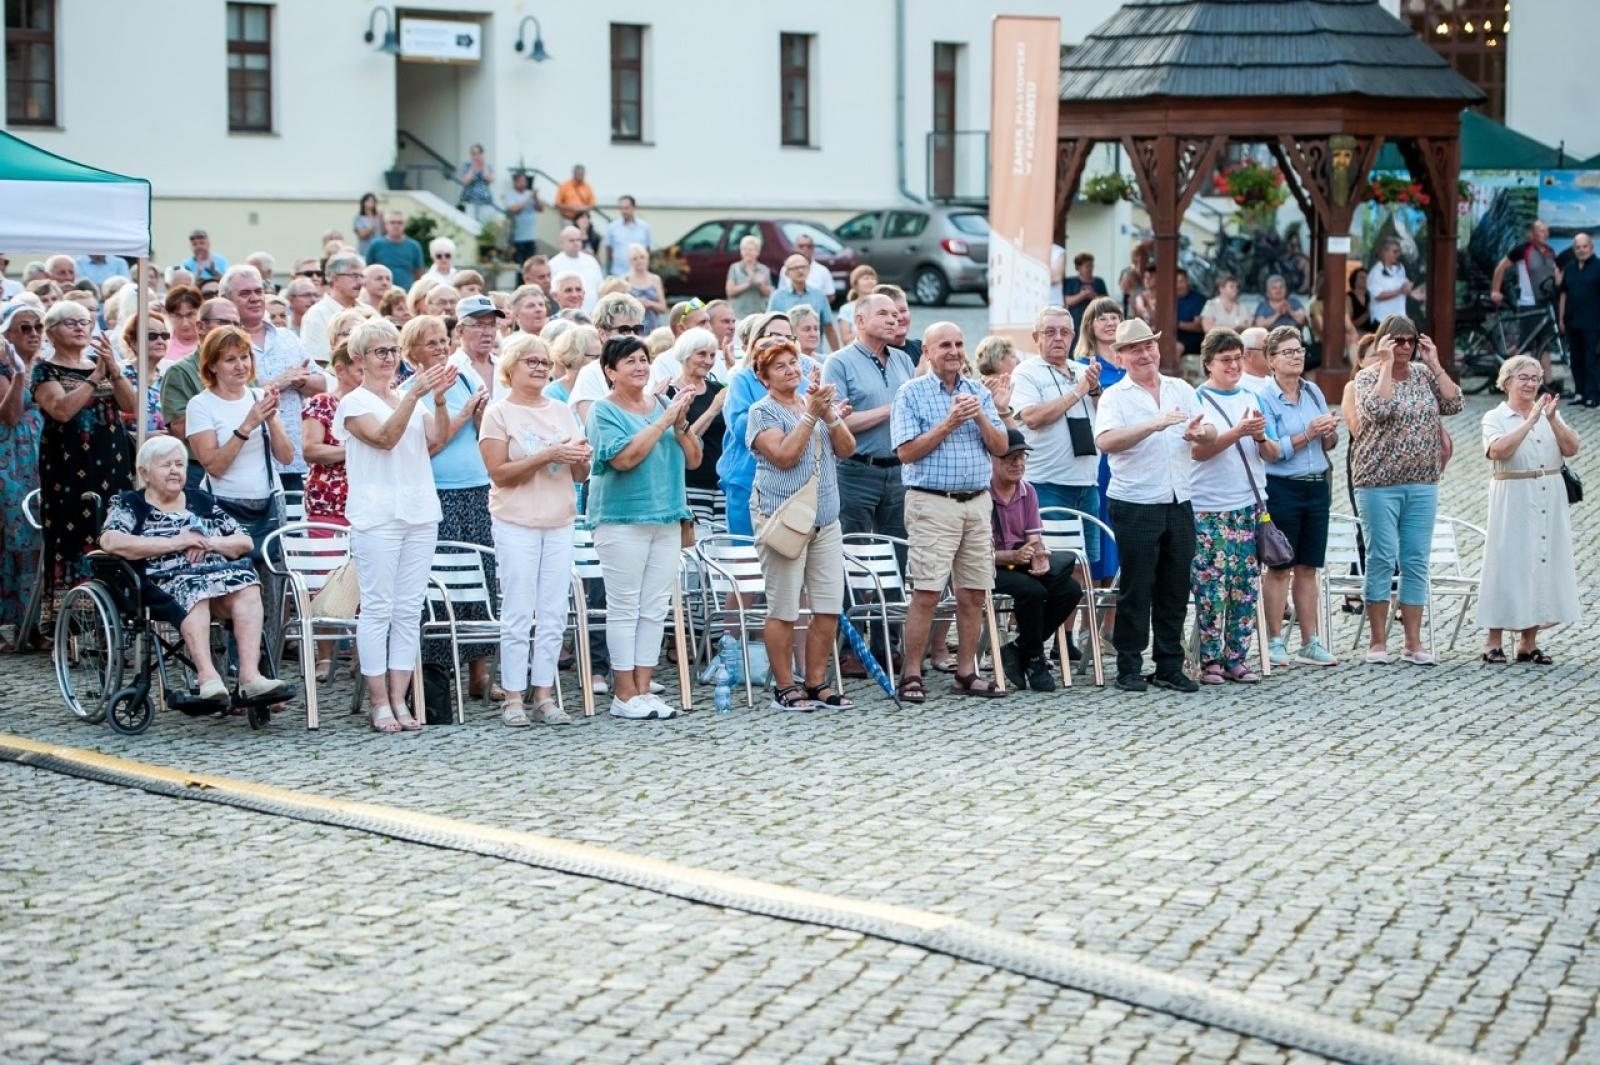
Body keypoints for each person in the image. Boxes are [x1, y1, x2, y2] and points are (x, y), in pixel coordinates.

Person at [99, 436, 287, 705]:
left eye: (179, 464)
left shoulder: (202, 501)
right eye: (166, 465)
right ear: (144, 473)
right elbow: (110, 541)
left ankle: (250, 676)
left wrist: (208, 542)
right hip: (162, 583)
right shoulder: (130, 504)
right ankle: (208, 677)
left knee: (247, 583)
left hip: (216, 578)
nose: (174, 471)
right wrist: (176, 542)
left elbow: (244, 541)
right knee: (194, 589)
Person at [335, 319, 453, 733]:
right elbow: (384, 438)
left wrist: (439, 401)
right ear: (359, 358)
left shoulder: (409, 397)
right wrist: (415, 396)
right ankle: (378, 700)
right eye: (380, 352)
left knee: (408, 609)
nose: (389, 358)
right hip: (377, 515)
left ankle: (401, 698)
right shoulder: (354, 402)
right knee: (378, 608)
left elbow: (437, 440)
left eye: (392, 351)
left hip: (419, 511)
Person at [1093, 318, 1215, 693]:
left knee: (1175, 588)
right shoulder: (1115, 396)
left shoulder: (1180, 388)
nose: (1144, 354)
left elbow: (1208, 431)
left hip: (1179, 499)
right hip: (1136, 501)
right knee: (1136, 587)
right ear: (1120, 356)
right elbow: (1106, 441)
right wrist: (1154, 424)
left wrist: (1200, 433)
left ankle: (1168, 665)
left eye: (1149, 346)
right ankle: (1129, 665)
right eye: (1134, 349)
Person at [891, 321, 1010, 703]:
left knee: (973, 593)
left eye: (959, 343)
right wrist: (949, 423)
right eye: (944, 345)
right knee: (927, 592)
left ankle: (966, 671)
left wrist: (979, 417)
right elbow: (906, 452)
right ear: (927, 352)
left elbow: (1001, 446)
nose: (954, 351)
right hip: (932, 502)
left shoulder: (978, 392)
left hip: (976, 502)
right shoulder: (911, 393)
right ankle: (911, 673)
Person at [584, 336, 702, 720]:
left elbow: (694, 459)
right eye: (630, 361)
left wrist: (680, 424)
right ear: (610, 371)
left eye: (643, 359)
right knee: (625, 607)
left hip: (666, 516)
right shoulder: (603, 410)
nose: (640, 367)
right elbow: (624, 459)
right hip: (621, 519)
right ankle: (623, 693)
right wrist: (663, 422)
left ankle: (644, 689)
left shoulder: (664, 404)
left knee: (654, 607)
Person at [479, 333, 590, 727]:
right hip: (516, 520)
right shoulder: (499, 413)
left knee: (554, 610)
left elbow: (580, 473)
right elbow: (499, 473)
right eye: (532, 361)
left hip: (559, 518)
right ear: (511, 367)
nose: (540, 367)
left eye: (544, 362)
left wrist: (580, 457)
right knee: (518, 608)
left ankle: (544, 693)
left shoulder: (562, 411)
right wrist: (547, 455)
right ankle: (513, 695)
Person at [747, 337, 856, 710]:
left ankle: (815, 682)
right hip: (784, 521)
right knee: (784, 608)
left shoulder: (815, 404)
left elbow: (847, 449)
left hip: (826, 521)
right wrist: (811, 415)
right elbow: (784, 456)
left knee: (827, 607)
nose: (791, 370)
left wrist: (829, 415)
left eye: (793, 363)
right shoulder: (762, 412)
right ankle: (784, 686)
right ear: (764, 377)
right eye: (779, 366)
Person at [1349, 315, 1463, 665]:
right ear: (1383, 341)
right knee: (1382, 557)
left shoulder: (1424, 375)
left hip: (1423, 482)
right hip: (1377, 482)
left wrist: (1435, 363)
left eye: (1409, 340)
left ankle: (1413, 643)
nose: (1404, 347)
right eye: (1396, 340)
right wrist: (1385, 365)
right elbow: (1377, 410)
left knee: (1415, 559)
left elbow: (1454, 403)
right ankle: (1377, 642)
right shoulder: (1366, 377)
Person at [401, 311, 497, 700]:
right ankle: (438, 675)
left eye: (443, 340)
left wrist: (480, 415)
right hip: (439, 492)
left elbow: (482, 432)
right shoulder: (410, 391)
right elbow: (430, 445)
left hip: (477, 488)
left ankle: (479, 672)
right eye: (431, 343)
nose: (441, 348)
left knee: (482, 580)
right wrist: (464, 413)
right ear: (413, 352)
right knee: (444, 583)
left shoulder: (466, 378)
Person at [1189, 329, 1280, 684]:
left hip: (1249, 504)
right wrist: (1238, 432)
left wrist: (1258, 435)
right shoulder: (1198, 399)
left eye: (1238, 358)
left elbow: (1270, 453)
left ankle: (1237, 657)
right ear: (1208, 363)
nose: (1233, 365)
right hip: (1209, 506)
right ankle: (1210, 659)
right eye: (1225, 359)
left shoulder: (1252, 396)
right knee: (1211, 587)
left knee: (1245, 584)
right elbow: (1198, 452)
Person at [1477, 355, 1580, 664]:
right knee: (1506, 562)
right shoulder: (1495, 417)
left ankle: (1528, 642)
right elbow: (1499, 450)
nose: (1530, 383)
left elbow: (1572, 448)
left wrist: (1551, 420)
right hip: (1513, 494)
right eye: (1523, 377)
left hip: (1548, 494)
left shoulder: (1549, 414)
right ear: (1507, 381)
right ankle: (1493, 641)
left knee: (1541, 560)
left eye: (1535, 378)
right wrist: (1530, 421)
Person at [32, 301, 137, 596]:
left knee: (114, 529)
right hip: (69, 470)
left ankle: (116, 603)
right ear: (51, 333)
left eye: (84, 322)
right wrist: (94, 378)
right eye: (70, 322)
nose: (79, 327)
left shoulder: (100, 363)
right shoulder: (45, 370)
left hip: (113, 465)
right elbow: (61, 410)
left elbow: (131, 406)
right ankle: (72, 607)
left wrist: (114, 370)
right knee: (74, 534)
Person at [1257, 325, 1341, 668]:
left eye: (1299, 350)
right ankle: (1275, 640)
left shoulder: (1313, 391)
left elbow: (1328, 443)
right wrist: (1309, 433)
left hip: (1316, 484)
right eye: (1288, 352)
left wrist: (1329, 433)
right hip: (1282, 487)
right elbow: (1272, 451)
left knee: (1309, 566)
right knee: (1280, 566)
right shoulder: (1263, 397)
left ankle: (1311, 641)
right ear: (1271, 360)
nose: (1296, 356)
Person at [184, 324, 293, 559]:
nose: (241, 365)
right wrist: (247, 426)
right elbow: (214, 467)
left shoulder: (259, 396)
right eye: (230, 359)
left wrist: (271, 420)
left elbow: (286, 457)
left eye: (244, 357)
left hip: (269, 502)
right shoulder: (200, 405)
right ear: (212, 366)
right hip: (222, 505)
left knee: (272, 576)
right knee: (230, 578)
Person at [989, 429, 1083, 692]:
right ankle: (1034, 658)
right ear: (991, 459)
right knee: (1032, 591)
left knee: (1070, 590)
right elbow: (974, 553)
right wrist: (1010, 556)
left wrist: (1039, 555)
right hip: (987, 565)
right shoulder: (981, 493)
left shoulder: (1027, 490)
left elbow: (1034, 539)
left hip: (1019, 563)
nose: (1018, 463)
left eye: (1022, 457)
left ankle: (1019, 648)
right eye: (1010, 458)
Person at [1013, 306, 1102, 568]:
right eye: (1050, 332)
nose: (1058, 338)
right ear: (1036, 337)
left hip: (1087, 484)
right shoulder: (1026, 372)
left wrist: (1095, 390)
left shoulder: (1083, 371)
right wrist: (1078, 392)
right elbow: (1032, 417)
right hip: (1047, 485)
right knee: (1051, 568)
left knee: (1084, 568)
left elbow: (1108, 415)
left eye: (1064, 332)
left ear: (1073, 336)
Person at [226, 265, 323, 493]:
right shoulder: (224, 343)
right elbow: (227, 395)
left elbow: (321, 384)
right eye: (245, 293)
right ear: (227, 299)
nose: (254, 298)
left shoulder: (287, 337)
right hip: (246, 462)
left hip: (294, 459)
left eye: (258, 291)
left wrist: (300, 381)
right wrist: (279, 383)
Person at [719, 312, 807, 538]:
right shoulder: (742, 378)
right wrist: (778, 412)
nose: (782, 342)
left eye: (788, 337)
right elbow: (740, 428)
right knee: (747, 554)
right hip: (748, 480)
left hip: (795, 484)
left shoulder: (801, 379)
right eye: (774, 336)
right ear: (756, 339)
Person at [0, 303, 44, 646]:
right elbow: (11, 415)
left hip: (38, 463)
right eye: (24, 328)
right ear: (8, 336)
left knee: (35, 543)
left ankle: (29, 623)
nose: (33, 333)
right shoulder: (4, 369)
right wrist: (18, 377)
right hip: (9, 463)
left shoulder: (43, 368)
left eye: (38, 327)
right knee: (9, 541)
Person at [299, 252, 365, 363]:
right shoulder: (317, 315)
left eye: (361, 276)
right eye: (354, 276)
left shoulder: (369, 311)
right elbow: (318, 362)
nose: (360, 282)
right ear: (335, 279)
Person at [1558, 232, 1600, 408]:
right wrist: (1561, 318)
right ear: (1574, 249)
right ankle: (1580, 392)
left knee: (1592, 360)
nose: (1581, 250)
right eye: (1578, 247)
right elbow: (1563, 294)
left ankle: (1593, 395)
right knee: (1576, 359)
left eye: (1584, 246)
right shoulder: (1569, 268)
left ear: (1591, 247)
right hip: (1572, 321)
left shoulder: (1598, 267)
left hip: (1593, 322)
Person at [768, 254, 840, 354]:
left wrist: (836, 354)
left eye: (803, 267)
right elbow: (770, 328)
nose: (800, 271)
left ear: (809, 269)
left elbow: (829, 327)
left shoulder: (819, 295)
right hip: (788, 353)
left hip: (815, 353)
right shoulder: (778, 297)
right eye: (795, 268)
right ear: (787, 273)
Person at [120, 309, 168, 434]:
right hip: (131, 445)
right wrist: (144, 437)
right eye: (152, 336)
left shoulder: (168, 375)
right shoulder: (120, 373)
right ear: (134, 343)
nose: (160, 341)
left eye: (164, 335)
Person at [548, 226, 605, 313]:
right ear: (562, 242)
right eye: (572, 240)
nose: (576, 243)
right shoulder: (553, 264)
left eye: (578, 240)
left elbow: (601, 287)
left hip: (593, 313)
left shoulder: (591, 261)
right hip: (566, 314)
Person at [366, 211, 427, 290]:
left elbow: (419, 272)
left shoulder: (414, 246)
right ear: (386, 225)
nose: (396, 225)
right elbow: (367, 270)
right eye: (392, 222)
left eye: (399, 222)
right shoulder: (375, 245)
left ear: (405, 225)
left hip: (406, 292)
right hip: (381, 292)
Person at [546, 323, 598, 404]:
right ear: (574, 357)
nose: (601, 362)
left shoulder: (606, 387)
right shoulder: (552, 395)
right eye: (595, 357)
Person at [726, 235, 774, 319]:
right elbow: (729, 292)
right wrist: (748, 283)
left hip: (758, 315)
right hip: (738, 315)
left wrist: (761, 284)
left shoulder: (764, 269)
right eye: (744, 249)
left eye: (751, 250)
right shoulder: (734, 268)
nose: (747, 252)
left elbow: (769, 294)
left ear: (758, 252)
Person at [603, 195, 652, 276]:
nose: (623, 211)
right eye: (621, 208)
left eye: (626, 208)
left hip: (640, 274)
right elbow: (609, 252)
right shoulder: (612, 227)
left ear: (634, 208)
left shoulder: (645, 227)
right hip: (618, 273)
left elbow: (647, 250)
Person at [777, 232, 836, 297]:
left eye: (809, 246)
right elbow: (781, 293)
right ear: (795, 248)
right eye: (801, 246)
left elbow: (830, 295)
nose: (805, 249)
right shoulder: (786, 269)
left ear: (813, 249)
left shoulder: (823, 271)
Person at [1367, 239, 1412, 323]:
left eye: (1399, 252)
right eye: (1395, 252)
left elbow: (1405, 287)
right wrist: (1400, 291)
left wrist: (1409, 288)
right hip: (1382, 320)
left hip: (1399, 319)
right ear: (1385, 252)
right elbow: (1377, 295)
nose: (1398, 255)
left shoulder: (1400, 268)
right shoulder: (1376, 272)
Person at [622, 244, 666, 331]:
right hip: (632, 329)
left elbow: (663, 308)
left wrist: (649, 304)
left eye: (642, 257)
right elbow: (620, 309)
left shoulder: (655, 279)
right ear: (629, 261)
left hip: (654, 329)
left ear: (647, 258)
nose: (639, 261)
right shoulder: (624, 280)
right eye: (635, 259)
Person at [835, 265, 877, 348]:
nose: (870, 281)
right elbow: (846, 339)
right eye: (866, 278)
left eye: (873, 278)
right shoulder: (846, 309)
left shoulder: (882, 306)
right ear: (855, 283)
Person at [1064, 253, 1108, 331]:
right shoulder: (1070, 282)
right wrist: (1082, 295)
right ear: (1078, 268)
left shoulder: (1099, 281)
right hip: (1075, 325)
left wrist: (1093, 296)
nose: (1090, 268)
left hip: (1095, 323)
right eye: (1087, 266)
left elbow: (1106, 301)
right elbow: (1066, 301)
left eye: (1091, 265)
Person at [456, 144, 495, 222]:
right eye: (473, 154)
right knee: (469, 223)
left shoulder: (488, 166)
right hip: (469, 201)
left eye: (478, 153)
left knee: (484, 224)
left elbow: (490, 180)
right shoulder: (466, 165)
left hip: (485, 201)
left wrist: (483, 166)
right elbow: (466, 181)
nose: (476, 156)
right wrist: (473, 168)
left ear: (482, 154)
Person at [1174, 272, 1207, 355]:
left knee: (1174, 348)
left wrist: (1176, 324)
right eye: (1176, 282)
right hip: (1171, 335)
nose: (1178, 285)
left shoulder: (1198, 299)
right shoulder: (1169, 299)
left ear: (1187, 281)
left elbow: (1198, 327)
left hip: (1192, 338)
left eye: (1181, 281)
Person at [1237, 326, 1272, 393]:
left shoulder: (1275, 383)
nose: (1274, 354)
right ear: (1249, 354)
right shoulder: (1238, 388)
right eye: (1268, 349)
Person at [352, 193, 382, 257]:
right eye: (368, 200)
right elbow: (362, 235)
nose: (371, 203)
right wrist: (374, 222)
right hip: (365, 249)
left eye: (373, 201)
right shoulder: (359, 217)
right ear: (363, 203)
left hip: (379, 249)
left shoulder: (380, 216)